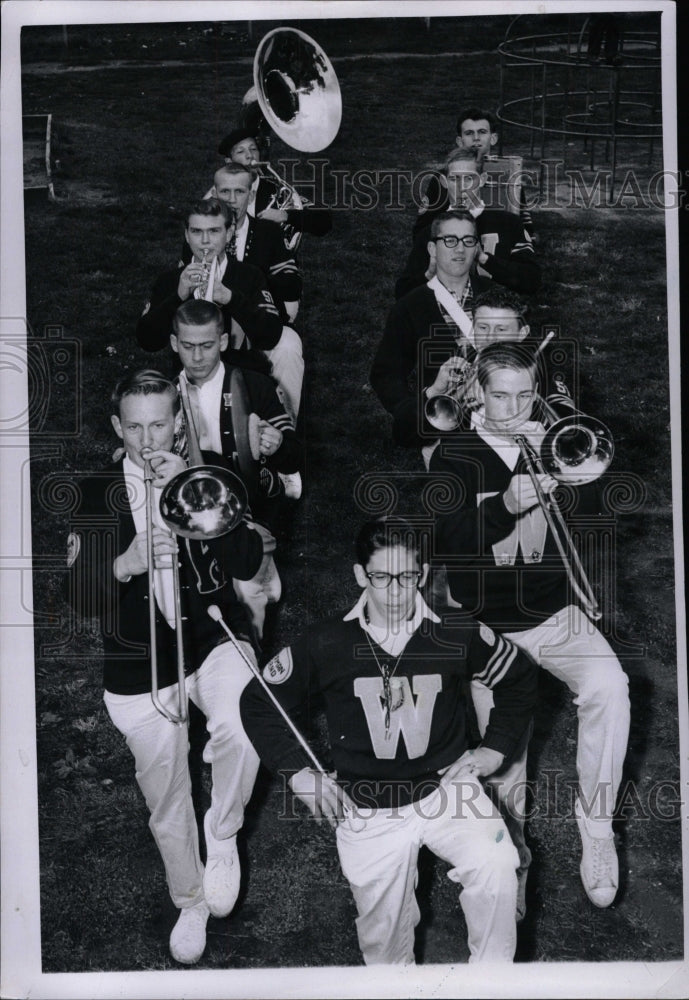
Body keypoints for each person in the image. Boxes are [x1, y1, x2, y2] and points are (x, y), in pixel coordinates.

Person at [240, 518, 539, 964]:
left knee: (497, 866)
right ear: (361, 575)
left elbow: (519, 677)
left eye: (408, 577)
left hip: (447, 788)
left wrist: (493, 748)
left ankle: (492, 984)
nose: (397, 592)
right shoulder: (327, 641)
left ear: (423, 573)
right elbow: (259, 703)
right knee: (384, 944)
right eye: (382, 577)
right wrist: (299, 774)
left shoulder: (454, 630)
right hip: (366, 802)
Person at [66, 369, 265, 965]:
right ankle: (190, 899)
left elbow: (250, 560)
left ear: (179, 423)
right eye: (135, 426)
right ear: (117, 428)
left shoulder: (211, 476)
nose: (149, 439)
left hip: (210, 637)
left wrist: (203, 495)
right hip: (136, 664)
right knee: (166, 793)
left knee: (246, 721)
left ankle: (223, 834)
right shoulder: (96, 492)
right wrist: (123, 564)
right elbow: (79, 599)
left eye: (160, 424)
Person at [429, 342, 630, 910]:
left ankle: (597, 831)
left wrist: (572, 476)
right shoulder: (454, 456)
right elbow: (445, 545)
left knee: (610, 688)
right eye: (499, 396)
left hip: (554, 613)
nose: (513, 409)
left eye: (524, 395)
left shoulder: (554, 441)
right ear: (476, 395)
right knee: (506, 755)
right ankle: (510, 857)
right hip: (488, 627)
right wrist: (504, 507)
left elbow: (598, 525)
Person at [171, 299, 303, 635]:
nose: (197, 357)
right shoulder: (166, 392)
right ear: (174, 344)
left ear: (224, 342)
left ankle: (250, 654)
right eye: (187, 346)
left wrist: (277, 444)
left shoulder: (254, 384)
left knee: (247, 593)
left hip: (250, 512)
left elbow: (295, 458)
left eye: (206, 346)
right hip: (189, 515)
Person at [136, 197, 304, 425]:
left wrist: (231, 298)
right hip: (190, 385)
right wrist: (177, 297)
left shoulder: (249, 275)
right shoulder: (171, 280)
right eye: (196, 232)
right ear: (186, 235)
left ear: (229, 232)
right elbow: (147, 340)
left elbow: (270, 335)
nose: (205, 241)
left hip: (244, 379)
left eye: (214, 231)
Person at [371, 210, 491, 455]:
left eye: (468, 241)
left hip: (502, 410)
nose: (460, 249)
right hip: (448, 426)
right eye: (450, 240)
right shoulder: (409, 306)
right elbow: (386, 374)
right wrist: (428, 397)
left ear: (477, 247)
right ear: (432, 249)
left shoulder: (495, 294)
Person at [397, 147, 540, 299]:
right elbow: (402, 294)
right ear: (444, 182)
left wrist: (484, 258)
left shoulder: (508, 223)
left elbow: (532, 281)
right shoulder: (432, 231)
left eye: (469, 178)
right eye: (454, 179)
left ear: (483, 180)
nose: (462, 187)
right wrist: (429, 274)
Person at [191, 163, 302, 324]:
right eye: (225, 192)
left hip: (261, 321)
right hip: (210, 325)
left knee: (288, 347)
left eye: (239, 192)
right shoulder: (197, 233)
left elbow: (292, 288)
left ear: (251, 196)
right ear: (214, 195)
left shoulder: (269, 232)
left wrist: (250, 281)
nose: (231, 200)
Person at [415, 108, 534, 238]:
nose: (476, 138)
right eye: (469, 133)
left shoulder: (507, 174)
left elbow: (525, 226)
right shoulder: (443, 177)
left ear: (493, 138)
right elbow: (421, 229)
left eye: (482, 132)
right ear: (460, 141)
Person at [215, 127, 332, 239]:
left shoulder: (277, 190)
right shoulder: (220, 193)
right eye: (241, 151)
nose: (250, 155)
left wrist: (285, 216)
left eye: (253, 149)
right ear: (229, 162)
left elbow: (324, 222)